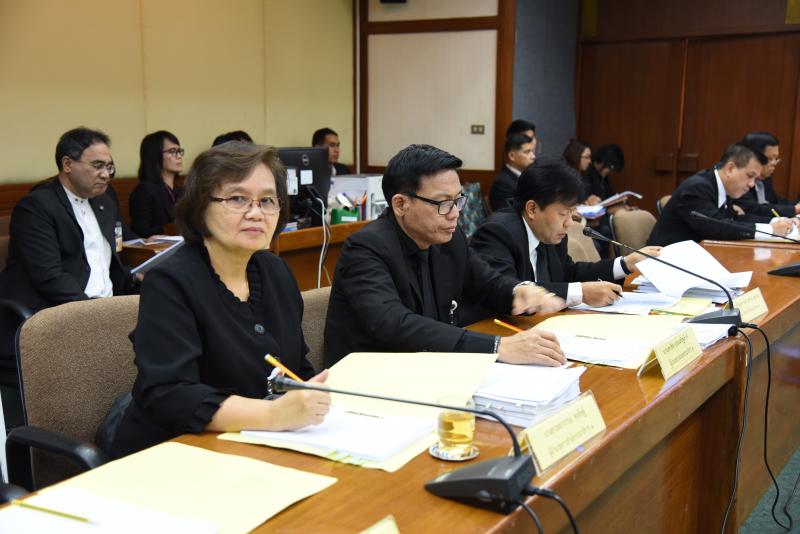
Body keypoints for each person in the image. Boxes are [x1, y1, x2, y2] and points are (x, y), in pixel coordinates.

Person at [102, 142, 329, 459]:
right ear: (200, 207)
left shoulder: (276, 271)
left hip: (259, 445)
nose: (255, 213)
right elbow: (170, 394)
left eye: (267, 200)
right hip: (176, 452)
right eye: (237, 199)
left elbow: (294, 367)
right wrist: (273, 415)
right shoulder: (170, 282)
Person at [323, 144, 566, 369]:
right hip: (370, 375)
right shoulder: (365, 247)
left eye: (458, 200)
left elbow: (486, 282)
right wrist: (496, 347)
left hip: (432, 366)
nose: (455, 213)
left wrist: (518, 291)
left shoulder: (450, 238)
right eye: (443, 203)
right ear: (400, 205)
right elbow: (394, 323)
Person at [471, 158, 660, 312]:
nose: (569, 222)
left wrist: (625, 264)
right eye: (563, 213)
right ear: (532, 209)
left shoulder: (548, 231)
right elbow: (510, 290)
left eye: (572, 212)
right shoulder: (497, 232)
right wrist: (581, 293)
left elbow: (568, 273)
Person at [0, 127, 136, 312]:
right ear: (67, 164)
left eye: (109, 167)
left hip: (106, 305)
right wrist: (94, 311)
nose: (106, 175)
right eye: (98, 166)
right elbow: (49, 277)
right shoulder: (36, 207)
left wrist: (133, 276)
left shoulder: (104, 203)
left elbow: (100, 263)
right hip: (59, 311)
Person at [647, 143, 796, 246]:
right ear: (730, 169)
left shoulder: (721, 187)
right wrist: (771, 230)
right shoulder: (697, 188)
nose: (752, 184)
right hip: (665, 263)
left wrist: (777, 221)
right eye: (750, 176)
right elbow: (717, 227)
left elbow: (733, 219)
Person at [129, 130, 184, 237]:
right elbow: (140, 229)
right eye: (172, 151)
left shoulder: (180, 190)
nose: (179, 156)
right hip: (161, 246)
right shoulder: (145, 190)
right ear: (155, 155)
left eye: (179, 151)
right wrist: (170, 230)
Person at [733, 131, 800, 218]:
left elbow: (775, 201)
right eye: (770, 159)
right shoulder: (739, 179)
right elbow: (753, 209)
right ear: (752, 156)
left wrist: (796, 206)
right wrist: (795, 209)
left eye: (776, 158)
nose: (774, 163)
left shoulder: (764, 178)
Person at [488, 133, 536, 211]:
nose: (533, 156)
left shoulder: (526, 176)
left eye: (533, 152)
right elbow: (509, 215)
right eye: (527, 152)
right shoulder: (502, 184)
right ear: (512, 156)